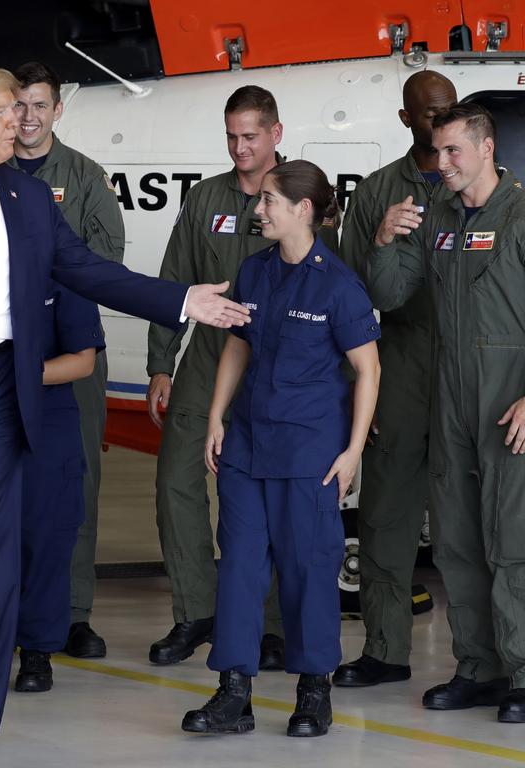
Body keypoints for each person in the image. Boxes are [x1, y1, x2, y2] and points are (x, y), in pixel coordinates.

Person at [0, 64, 250, 760]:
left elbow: (88, 270)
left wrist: (181, 301)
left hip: (0, 394)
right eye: (2, 112)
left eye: (20, 112)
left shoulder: (27, 199)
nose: (18, 121)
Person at [182, 160, 380, 737]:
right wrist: (217, 416)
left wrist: (352, 451)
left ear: (303, 209)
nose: (258, 208)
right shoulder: (253, 271)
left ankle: (314, 691)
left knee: (308, 569)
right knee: (240, 567)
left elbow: (367, 370)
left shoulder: (338, 286)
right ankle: (233, 694)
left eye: (269, 200)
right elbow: (238, 347)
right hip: (246, 445)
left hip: (309, 455)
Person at [146, 86, 339, 669]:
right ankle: (194, 612)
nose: (239, 148)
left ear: (276, 134)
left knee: (277, 498)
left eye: (250, 136)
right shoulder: (205, 198)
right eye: (231, 136)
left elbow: (335, 290)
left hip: (283, 369)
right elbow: (174, 278)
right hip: (210, 359)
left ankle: (272, 628)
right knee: (176, 486)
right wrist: (161, 363)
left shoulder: (304, 195)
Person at [367, 103, 525, 724]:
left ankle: (522, 670)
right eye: (437, 152)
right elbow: (391, 294)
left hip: (507, 400)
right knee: (457, 538)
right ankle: (479, 669)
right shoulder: (435, 216)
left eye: (454, 151)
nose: (442, 164)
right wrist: (384, 241)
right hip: (451, 396)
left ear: (486, 149)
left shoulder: (520, 213)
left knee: (511, 540)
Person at [333, 70, 457, 688]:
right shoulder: (381, 191)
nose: (440, 121)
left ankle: (489, 662)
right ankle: (385, 651)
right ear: (406, 118)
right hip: (401, 364)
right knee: (386, 515)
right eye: (429, 113)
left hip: (469, 368)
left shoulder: (483, 186)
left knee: (473, 522)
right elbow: (350, 290)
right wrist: (362, 390)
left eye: (449, 110)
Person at [8, 61, 125, 659]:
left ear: (58, 110)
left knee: (74, 482)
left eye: (39, 105)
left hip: (70, 346)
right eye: (19, 105)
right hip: (0, 349)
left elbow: (104, 260)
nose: (28, 118)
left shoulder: (84, 176)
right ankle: (8, 612)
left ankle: (73, 612)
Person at [14, 279, 103, 693]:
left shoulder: (63, 272)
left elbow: (83, 361)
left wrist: (15, 373)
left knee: (46, 536)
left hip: (46, 416)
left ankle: (36, 650)